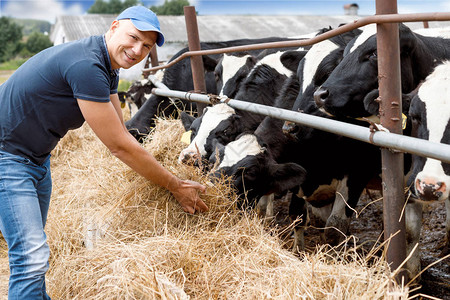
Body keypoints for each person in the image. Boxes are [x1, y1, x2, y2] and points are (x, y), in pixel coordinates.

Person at [0, 6, 208, 299]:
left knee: (33, 252)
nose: (137, 50)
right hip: (7, 158)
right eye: (133, 38)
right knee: (31, 255)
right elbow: (118, 146)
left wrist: (157, 159)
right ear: (113, 27)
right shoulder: (87, 66)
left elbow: (121, 131)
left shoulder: (107, 66)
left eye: (146, 46)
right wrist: (175, 185)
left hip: (36, 159)